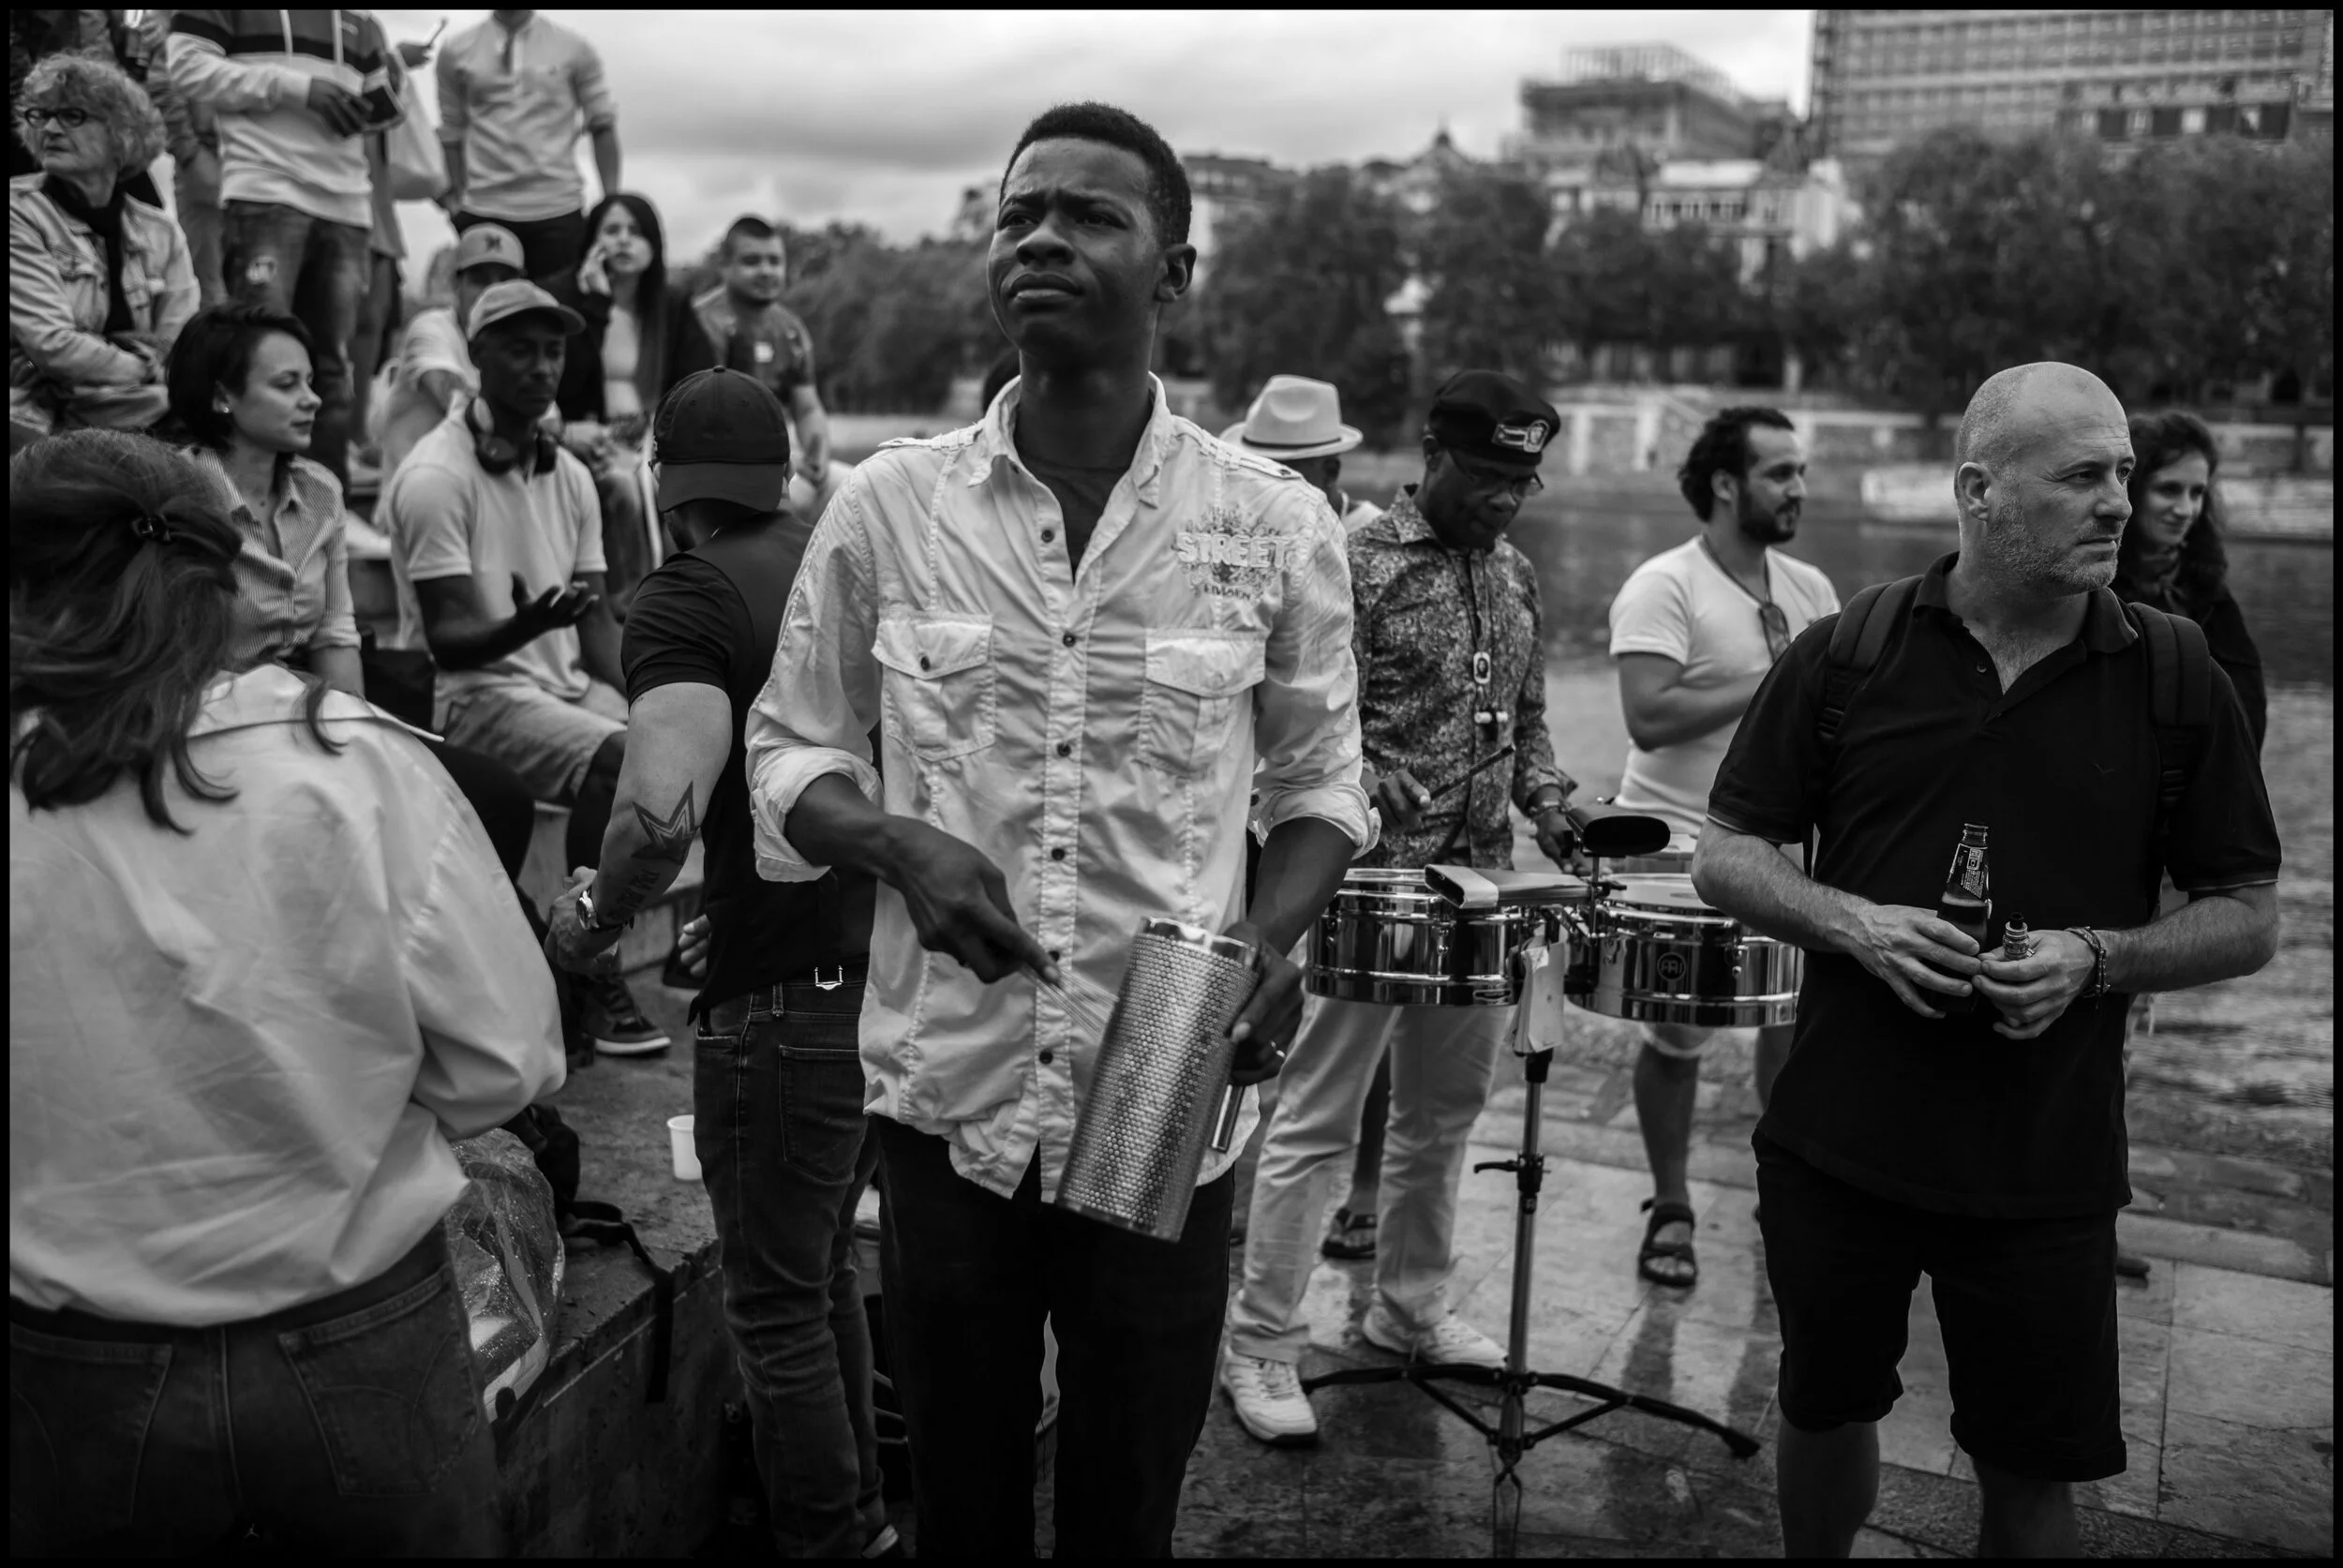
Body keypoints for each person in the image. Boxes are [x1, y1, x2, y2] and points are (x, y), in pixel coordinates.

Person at [745, 99, 1371, 1558]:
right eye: (1018, 212)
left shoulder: (1272, 524)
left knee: (1127, 1484)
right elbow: (792, 747)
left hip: (1162, 1058)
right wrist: (897, 843)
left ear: (1176, 273)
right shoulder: (890, 505)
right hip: (949, 1085)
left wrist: (1274, 940)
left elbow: (1323, 785)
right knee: (957, 1485)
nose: (1039, 236)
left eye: (1089, 215)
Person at [1691, 362, 2282, 1558]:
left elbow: (2250, 910)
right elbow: (1726, 853)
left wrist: (2097, 955)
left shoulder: (2176, 678)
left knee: (2031, 1464)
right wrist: (1852, 919)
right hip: (1840, 1137)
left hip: (2045, 1164)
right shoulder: (1846, 653)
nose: (2117, 502)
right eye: (2081, 477)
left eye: (2122, 473)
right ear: (1978, 490)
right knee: (1821, 1399)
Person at [9, 429, 565, 1556]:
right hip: (357, 1335)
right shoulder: (344, 758)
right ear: (216, 573)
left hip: (74, 1364)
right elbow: (507, 1060)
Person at [545, 366, 894, 1559]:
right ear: (784, 473)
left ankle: (826, 1537)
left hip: (789, 1007)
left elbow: (656, 815)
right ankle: (860, 1520)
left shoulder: (687, 595)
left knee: (774, 1301)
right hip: (883, 972)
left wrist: (592, 916)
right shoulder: (842, 559)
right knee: (819, 1272)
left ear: (662, 485)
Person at [1222, 369, 1583, 1447]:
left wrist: (1555, 810)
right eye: (1485, 476)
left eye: (1522, 479)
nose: (1504, 499)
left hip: (1480, 885)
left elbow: (1526, 721)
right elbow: (1288, 712)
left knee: (1443, 1115)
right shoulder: (1357, 560)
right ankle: (1262, 1340)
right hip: (1365, 883)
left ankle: (1409, 1304)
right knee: (1316, 1119)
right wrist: (1362, 765)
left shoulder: (1515, 574)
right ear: (1432, 455)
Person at [380, 276, 666, 1055]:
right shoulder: (437, 476)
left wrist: (656, 695)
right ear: (475, 357)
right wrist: (526, 625)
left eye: (553, 350)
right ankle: (586, 962)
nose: (543, 367)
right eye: (520, 349)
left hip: (563, 688)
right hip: (475, 695)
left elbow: (598, 626)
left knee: (676, 745)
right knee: (620, 758)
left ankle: (598, 942)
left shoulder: (571, 475)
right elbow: (450, 643)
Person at [167, 301, 542, 885]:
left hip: (315, 715)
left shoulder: (320, 491)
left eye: (311, 382)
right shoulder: (178, 497)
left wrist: (354, 739)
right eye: (287, 384)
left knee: (497, 797)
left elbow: (336, 634)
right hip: (220, 732)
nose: (313, 400)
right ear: (223, 397)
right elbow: (180, 660)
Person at [1607, 406, 1839, 1289]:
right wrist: (1777, 677)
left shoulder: (1811, 587)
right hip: (1673, 847)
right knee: (1679, 1039)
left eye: (1800, 471)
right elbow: (1648, 716)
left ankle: (1780, 1194)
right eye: (1780, 472)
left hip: (1782, 851)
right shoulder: (1666, 584)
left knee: (1791, 1028)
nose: (1799, 488)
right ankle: (1671, 1205)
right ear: (1726, 485)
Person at [167, 8, 406, 486]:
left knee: (333, 369)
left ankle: (326, 506)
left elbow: (378, 104)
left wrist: (378, 99)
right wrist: (299, 88)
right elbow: (186, 69)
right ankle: (245, 504)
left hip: (347, 203)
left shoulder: (363, 21)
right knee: (255, 361)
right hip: (263, 191)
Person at [9, 51, 196, 448]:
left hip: (142, 407)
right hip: (42, 416)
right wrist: (144, 363)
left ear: (122, 132)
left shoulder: (159, 230)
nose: (51, 129)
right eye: (39, 116)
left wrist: (142, 369)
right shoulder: (18, 213)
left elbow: (184, 350)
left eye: (72, 115)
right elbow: (53, 346)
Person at [543, 190, 716, 619]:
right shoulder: (563, 298)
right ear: (591, 242)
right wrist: (596, 306)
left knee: (685, 488)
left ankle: (697, 601)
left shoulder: (670, 306)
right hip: (587, 440)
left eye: (635, 232)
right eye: (612, 231)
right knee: (624, 492)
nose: (623, 241)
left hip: (653, 441)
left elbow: (698, 380)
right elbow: (565, 384)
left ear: (654, 245)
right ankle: (631, 607)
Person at [2113, 409, 2267, 754]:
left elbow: (2247, 714)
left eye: (2196, 493)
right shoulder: (2090, 589)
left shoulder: (2206, 592)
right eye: (2169, 490)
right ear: (2129, 491)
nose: (2185, 509)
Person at [436, 8, 619, 284]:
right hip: (483, 207)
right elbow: (451, 130)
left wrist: (611, 204)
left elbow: (602, 123)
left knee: (555, 316)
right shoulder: (456, 50)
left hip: (557, 207)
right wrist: (455, 202)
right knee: (489, 317)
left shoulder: (574, 48)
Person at [691, 214, 847, 521]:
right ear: (725, 266)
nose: (766, 271)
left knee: (860, 492)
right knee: (790, 506)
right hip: (721, 466)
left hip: (782, 464)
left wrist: (817, 453)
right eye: (752, 261)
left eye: (774, 262)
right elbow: (712, 416)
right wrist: (785, 459)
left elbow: (807, 408)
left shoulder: (790, 328)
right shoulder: (704, 323)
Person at [380, 220, 525, 479]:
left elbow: (550, 420)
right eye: (480, 281)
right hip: (416, 497)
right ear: (456, 284)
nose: (493, 291)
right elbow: (456, 404)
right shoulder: (430, 328)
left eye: (505, 281)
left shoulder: (524, 345)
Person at [1220, 373, 1382, 531]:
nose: (1266, 490)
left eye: (1284, 477)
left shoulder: (1377, 537)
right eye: (1256, 474)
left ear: (1330, 472)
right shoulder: (1241, 529)